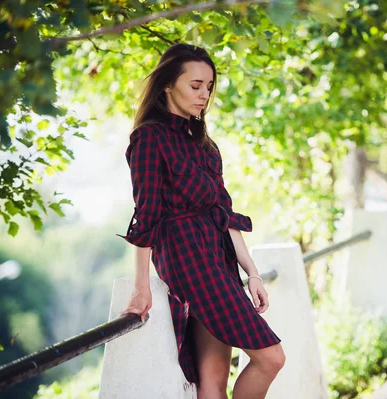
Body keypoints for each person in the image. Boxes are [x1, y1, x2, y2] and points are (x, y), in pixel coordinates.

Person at [117, 43, 285, 399]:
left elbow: (224, 213)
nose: (204, 94)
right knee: (271, 358)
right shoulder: (149, 137)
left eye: (209, 86)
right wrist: (141, 284)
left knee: (213, 379)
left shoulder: (205, 144)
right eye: (195, 85)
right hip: (187, 260)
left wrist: (251, 273)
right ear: (167, 85)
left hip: (217, 257)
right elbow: (146, 214)